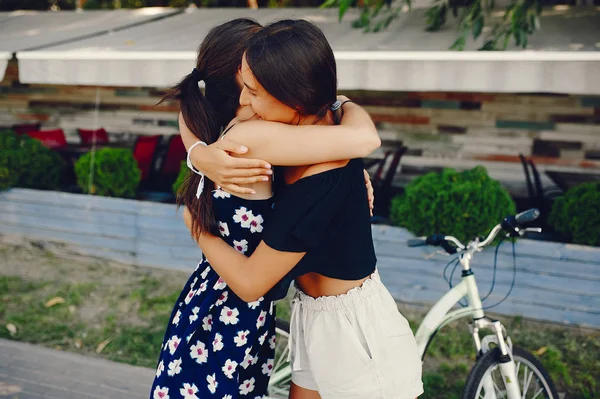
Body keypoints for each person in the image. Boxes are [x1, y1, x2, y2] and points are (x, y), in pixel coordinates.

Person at [185, 20, 423, 399]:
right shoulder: (311, 135)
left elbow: (250, 284)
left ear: (293, 100)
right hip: (315, 317)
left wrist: (196, 226)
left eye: (252, 92)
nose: (243, 102)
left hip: (358, 340)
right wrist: (199, 154)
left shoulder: (322, 179)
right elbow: (196, 108)